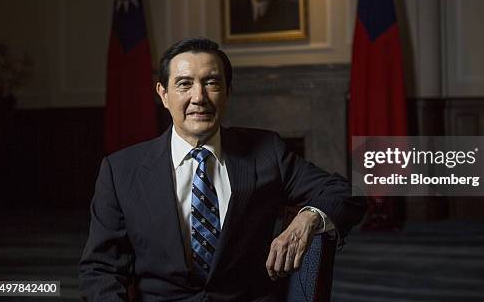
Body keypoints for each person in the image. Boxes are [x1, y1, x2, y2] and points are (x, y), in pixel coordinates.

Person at [79, 37, 365, 301]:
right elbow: (101, 270)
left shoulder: (267, 152)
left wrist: (308, 217)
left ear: (228, 91)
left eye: (211, 83)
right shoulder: (121, 171)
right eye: (184, 84)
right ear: (163, 94)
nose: (199, 97)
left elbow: (346, 192)